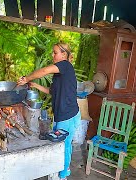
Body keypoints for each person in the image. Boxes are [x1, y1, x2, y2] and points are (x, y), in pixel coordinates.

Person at [17, 42, 81, 180]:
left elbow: (44, 71)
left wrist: (27, 78)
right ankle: (60, 171)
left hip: (68, 116)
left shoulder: (65, 65)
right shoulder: (59, 74)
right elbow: (51, 91)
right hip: (61, 115)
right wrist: (34, 85)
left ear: (64, 54)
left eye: (55, 52)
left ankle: (63, 175)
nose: (53, 55)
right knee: (60, 145)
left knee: (64, 147)